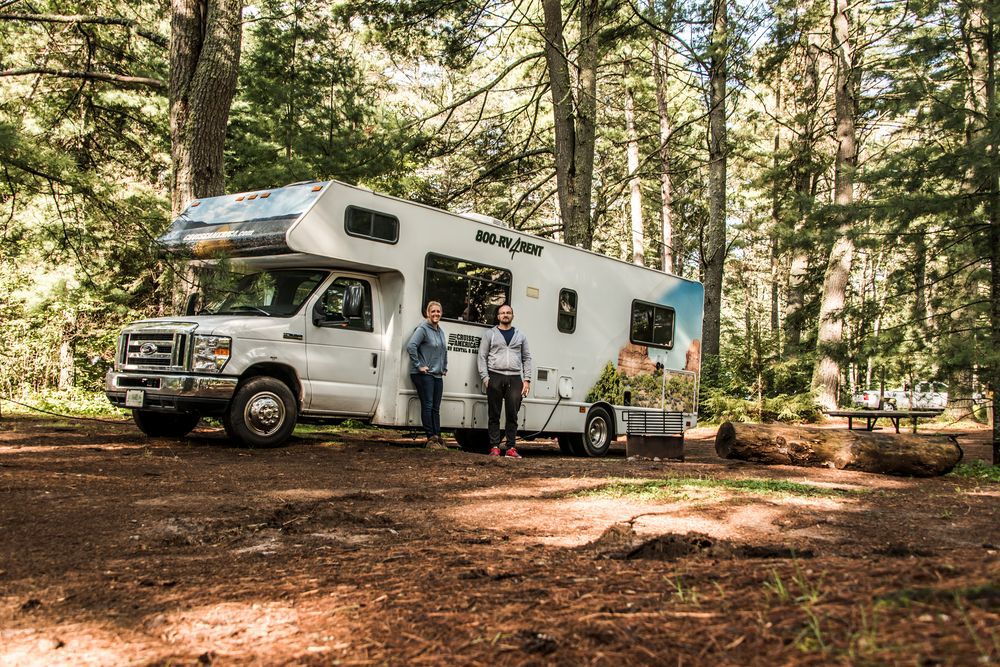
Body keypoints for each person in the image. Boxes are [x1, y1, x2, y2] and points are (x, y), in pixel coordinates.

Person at [477, 303, 532, 458]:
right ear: (498, 316)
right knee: (494, 414)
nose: (505, 315)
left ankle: (511, 448)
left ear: (512, 316)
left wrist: (526, 380)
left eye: (508, 313)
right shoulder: (490, 334)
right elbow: (482, 356)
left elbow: (527, 358)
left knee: (512, 414)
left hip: (515, 378)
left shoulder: (520, 335)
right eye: (502, 313)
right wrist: (485, 377)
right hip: (495, 376)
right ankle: (494, 446)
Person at [406, 301, 448, 450]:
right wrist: (419, 365)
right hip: (423, 374)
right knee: (428, 405)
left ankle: (438, 437)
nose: (436, 314)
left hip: (437, 374)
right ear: (428, 313)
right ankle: (430, 437)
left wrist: (444, 367)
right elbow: (411, 346)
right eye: (433, 311)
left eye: (438, 311)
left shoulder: (440, 331)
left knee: (436, 407)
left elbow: (444, 350)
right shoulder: (423, 329)